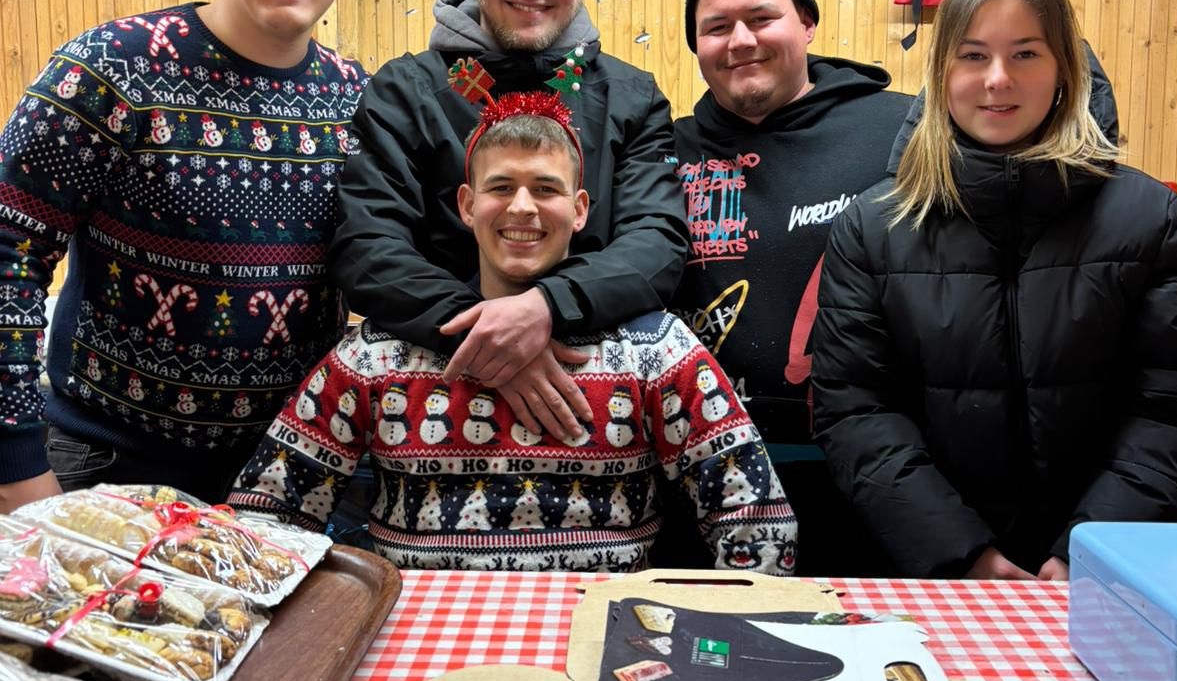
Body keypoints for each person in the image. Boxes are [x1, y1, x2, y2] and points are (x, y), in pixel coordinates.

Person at [231, 95, 795, 574]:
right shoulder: (374, 356)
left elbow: (759, 523)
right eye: (501, 187)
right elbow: (262, 518)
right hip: (417, 642)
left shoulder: (658, 352)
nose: (522, 208)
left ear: (579, 209)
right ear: (467, 205)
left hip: (605, 640)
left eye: (545, 189)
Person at [0, 0, 367, 512]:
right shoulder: (109, 70)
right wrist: (13, 461)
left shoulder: (359, 100)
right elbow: (7, 256)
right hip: (103, 470)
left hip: (291, 480)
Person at [812, 0, 1177, 580]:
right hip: (936, 573)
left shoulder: (1153, 219)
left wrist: (1087, 555)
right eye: (973, 55)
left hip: (1111, 571)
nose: (998, 79)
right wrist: (965, 554)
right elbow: (856, 411)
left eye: (1025, 53)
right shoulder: (873, 227)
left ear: (1064, 69)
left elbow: (1171, 412)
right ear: (942, 73)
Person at [328, 0, 689, 447]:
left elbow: (656, 240)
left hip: (599, 392)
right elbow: (367, 245)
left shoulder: (632, 97)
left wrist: (544, 308)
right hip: (434, 383)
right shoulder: (405, 91)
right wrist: (491, 336)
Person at [672, 0, 910, 567]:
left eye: (761, 18)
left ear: (806, 22)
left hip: (871, 478)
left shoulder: (904, 131)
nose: (740, 40)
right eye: (716, 27)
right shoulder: (664, 152)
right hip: (702, 482)